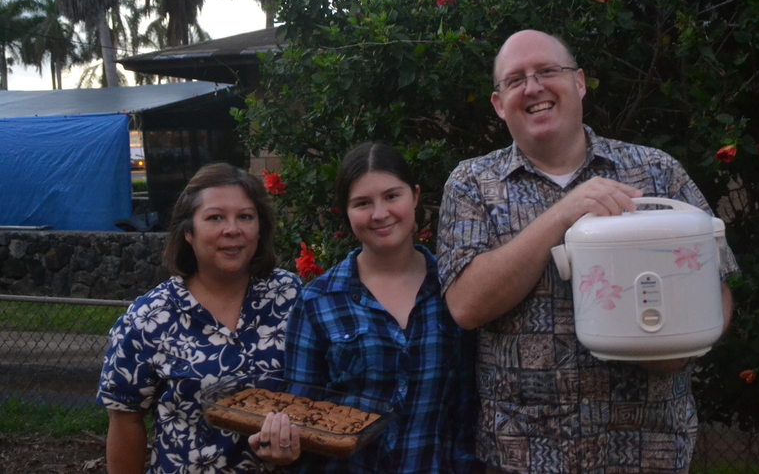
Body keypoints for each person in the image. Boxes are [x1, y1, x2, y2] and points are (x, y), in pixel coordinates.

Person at [436, 30, 738, 474]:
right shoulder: (472, 184)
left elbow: (720, 283)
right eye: (515, 79)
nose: (533, 87)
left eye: (547, 71)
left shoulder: (656, 171)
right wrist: (561, 216)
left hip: (645, 450)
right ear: (499, 105)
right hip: (523, 455)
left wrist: (686, 347)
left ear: (579, 82)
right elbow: (465, 305)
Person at [251, 142, 479, 473]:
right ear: (345, 211)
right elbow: (300, 414)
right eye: (362, 203)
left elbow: (467, 411)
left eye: (392, 196)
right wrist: (283, 444)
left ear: (415, 196)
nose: (379, 213)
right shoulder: (318, 301)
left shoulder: (455, 290)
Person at [97, 162, 303, 474]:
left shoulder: (292, 297)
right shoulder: (149, 318)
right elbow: (125, 422)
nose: (232, 229)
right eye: (215, 217)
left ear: (259, 229)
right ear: (189, 233)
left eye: (245, 217)